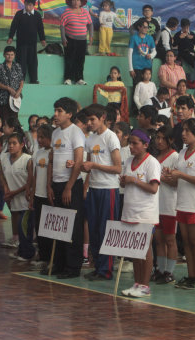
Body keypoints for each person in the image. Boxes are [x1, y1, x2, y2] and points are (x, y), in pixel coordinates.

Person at [167, 118, 195, 290]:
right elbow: (179, 178)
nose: (183, 134)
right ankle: (191, 275)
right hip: (182, 202)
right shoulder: (182, 153)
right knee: (186, 241)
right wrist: (171, 175)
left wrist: (180, 175)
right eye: (183, 130)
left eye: (188, 131)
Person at [46, 97, 85, 278]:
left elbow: (78, 162)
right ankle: (59, 263)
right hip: (56, 183)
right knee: (58, 225)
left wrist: (69, 187)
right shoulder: (55, 133)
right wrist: (49, 185)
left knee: (72, 227)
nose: (56, 114)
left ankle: (73, 267)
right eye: (55, 110)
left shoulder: (75, 132)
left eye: (60, 111)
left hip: (71, 185)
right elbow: (52, 160)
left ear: (70, 114)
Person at [82, 104, 121, 280]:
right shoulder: (90, 139)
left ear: (103, 117)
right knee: (94, 229)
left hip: (108, 189)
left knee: (106, 230)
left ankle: (106, 269)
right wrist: (79, 167)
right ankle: (97, 265)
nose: (89, 123)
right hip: (94, 189)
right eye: (88, 120)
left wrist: (94, 165)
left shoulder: (111, 137)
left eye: (93, 120)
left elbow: (118, 168)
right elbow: (89, 166)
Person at [119, 129, 161, 297]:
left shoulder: (152, 163)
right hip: (130, 210)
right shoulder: (128, 161)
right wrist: (124, 181)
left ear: (145, 145)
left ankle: (145, 285)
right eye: (130, 142)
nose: (131, 146)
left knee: (145, 250)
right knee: (135, 250)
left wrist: (134, 180)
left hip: (145, 213)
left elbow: (153, 188)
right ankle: (137, 283)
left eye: (135, 143)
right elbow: (124, 184)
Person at [0, 132, 34, 261]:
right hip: (13, 200)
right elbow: (2, 175)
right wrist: (6, 188)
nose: (11, 146)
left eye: (14, 143)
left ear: (22, 145)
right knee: (18, 228)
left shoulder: (28, 160)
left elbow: (30, 182)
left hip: (26, 200)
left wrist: (14, 192)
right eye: (9, 143)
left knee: (24, 227)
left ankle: (28, 253)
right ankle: (21, 250)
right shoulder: (4, 158)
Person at [153, 125, 178, 284]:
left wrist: (161, 178)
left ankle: (170, 270)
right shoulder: (155, 158)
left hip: (170, 204)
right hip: (156, 205)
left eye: (163, 138)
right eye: (157, 138)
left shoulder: (175, 157)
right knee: (159, 240)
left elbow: (176, 182)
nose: (159, 141)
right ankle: (160, 269)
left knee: (170, 240)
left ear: (170, 140)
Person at [28, 124, 53, 271]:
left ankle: (51, 256)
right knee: (39, 228)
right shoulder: (38, 153)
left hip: (48, 196)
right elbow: (36, 174)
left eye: (43, 137)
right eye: (39, 137)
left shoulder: (54, 153)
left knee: (49, 229)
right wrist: (32, 194)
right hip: (38, 195)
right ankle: (43, 255)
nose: (40, 140)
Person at [8, 0, 46, 85]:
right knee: (21, 61)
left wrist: (42, 39)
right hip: (21, 43)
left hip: (32, 43)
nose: (28, 7)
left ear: (33, 5)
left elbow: (40, 28)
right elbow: (13, 26)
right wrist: (10, 37)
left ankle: (34, 79)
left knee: (33, 61)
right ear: (24, 4)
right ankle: (20, 79)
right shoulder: (19, 14)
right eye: (27, 5)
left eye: (30, 5)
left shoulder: (37, 15)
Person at [61, 0, 92, 85]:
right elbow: (62, 26)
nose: (75, 2)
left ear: (81, 2)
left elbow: (90, 24)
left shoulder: (85, 12)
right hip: (70, 39)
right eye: (73, 0)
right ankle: (68, 78)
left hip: (82, 41)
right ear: (70, 2)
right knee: (69, 59)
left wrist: (91, 36)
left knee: (81, 60)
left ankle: (79, 79)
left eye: (77, 0)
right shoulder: (66, 12)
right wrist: (63, 38)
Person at [0, 46, 24, 122]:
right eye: (7, 54)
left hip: (15, 98)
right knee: (3, 120)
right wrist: (8, 88)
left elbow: (21, 80)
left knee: (14, 120)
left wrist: (19, 91)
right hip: (3, 99)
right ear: (4, 55)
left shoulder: (18, 66)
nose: (10, 56)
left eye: (12, 54)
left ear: (14, 55)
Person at [128, 19, 156, 86]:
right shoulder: (133, 38)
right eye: (144, 27)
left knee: (147, 86)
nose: (146, 29)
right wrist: (131, 69)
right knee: (137, 87)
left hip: (147, 66)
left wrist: (151, 55)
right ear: (139, 27)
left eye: (147, 27)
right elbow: (129, 53)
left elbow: (154, 51)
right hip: (137, 67)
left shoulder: (150, 38)